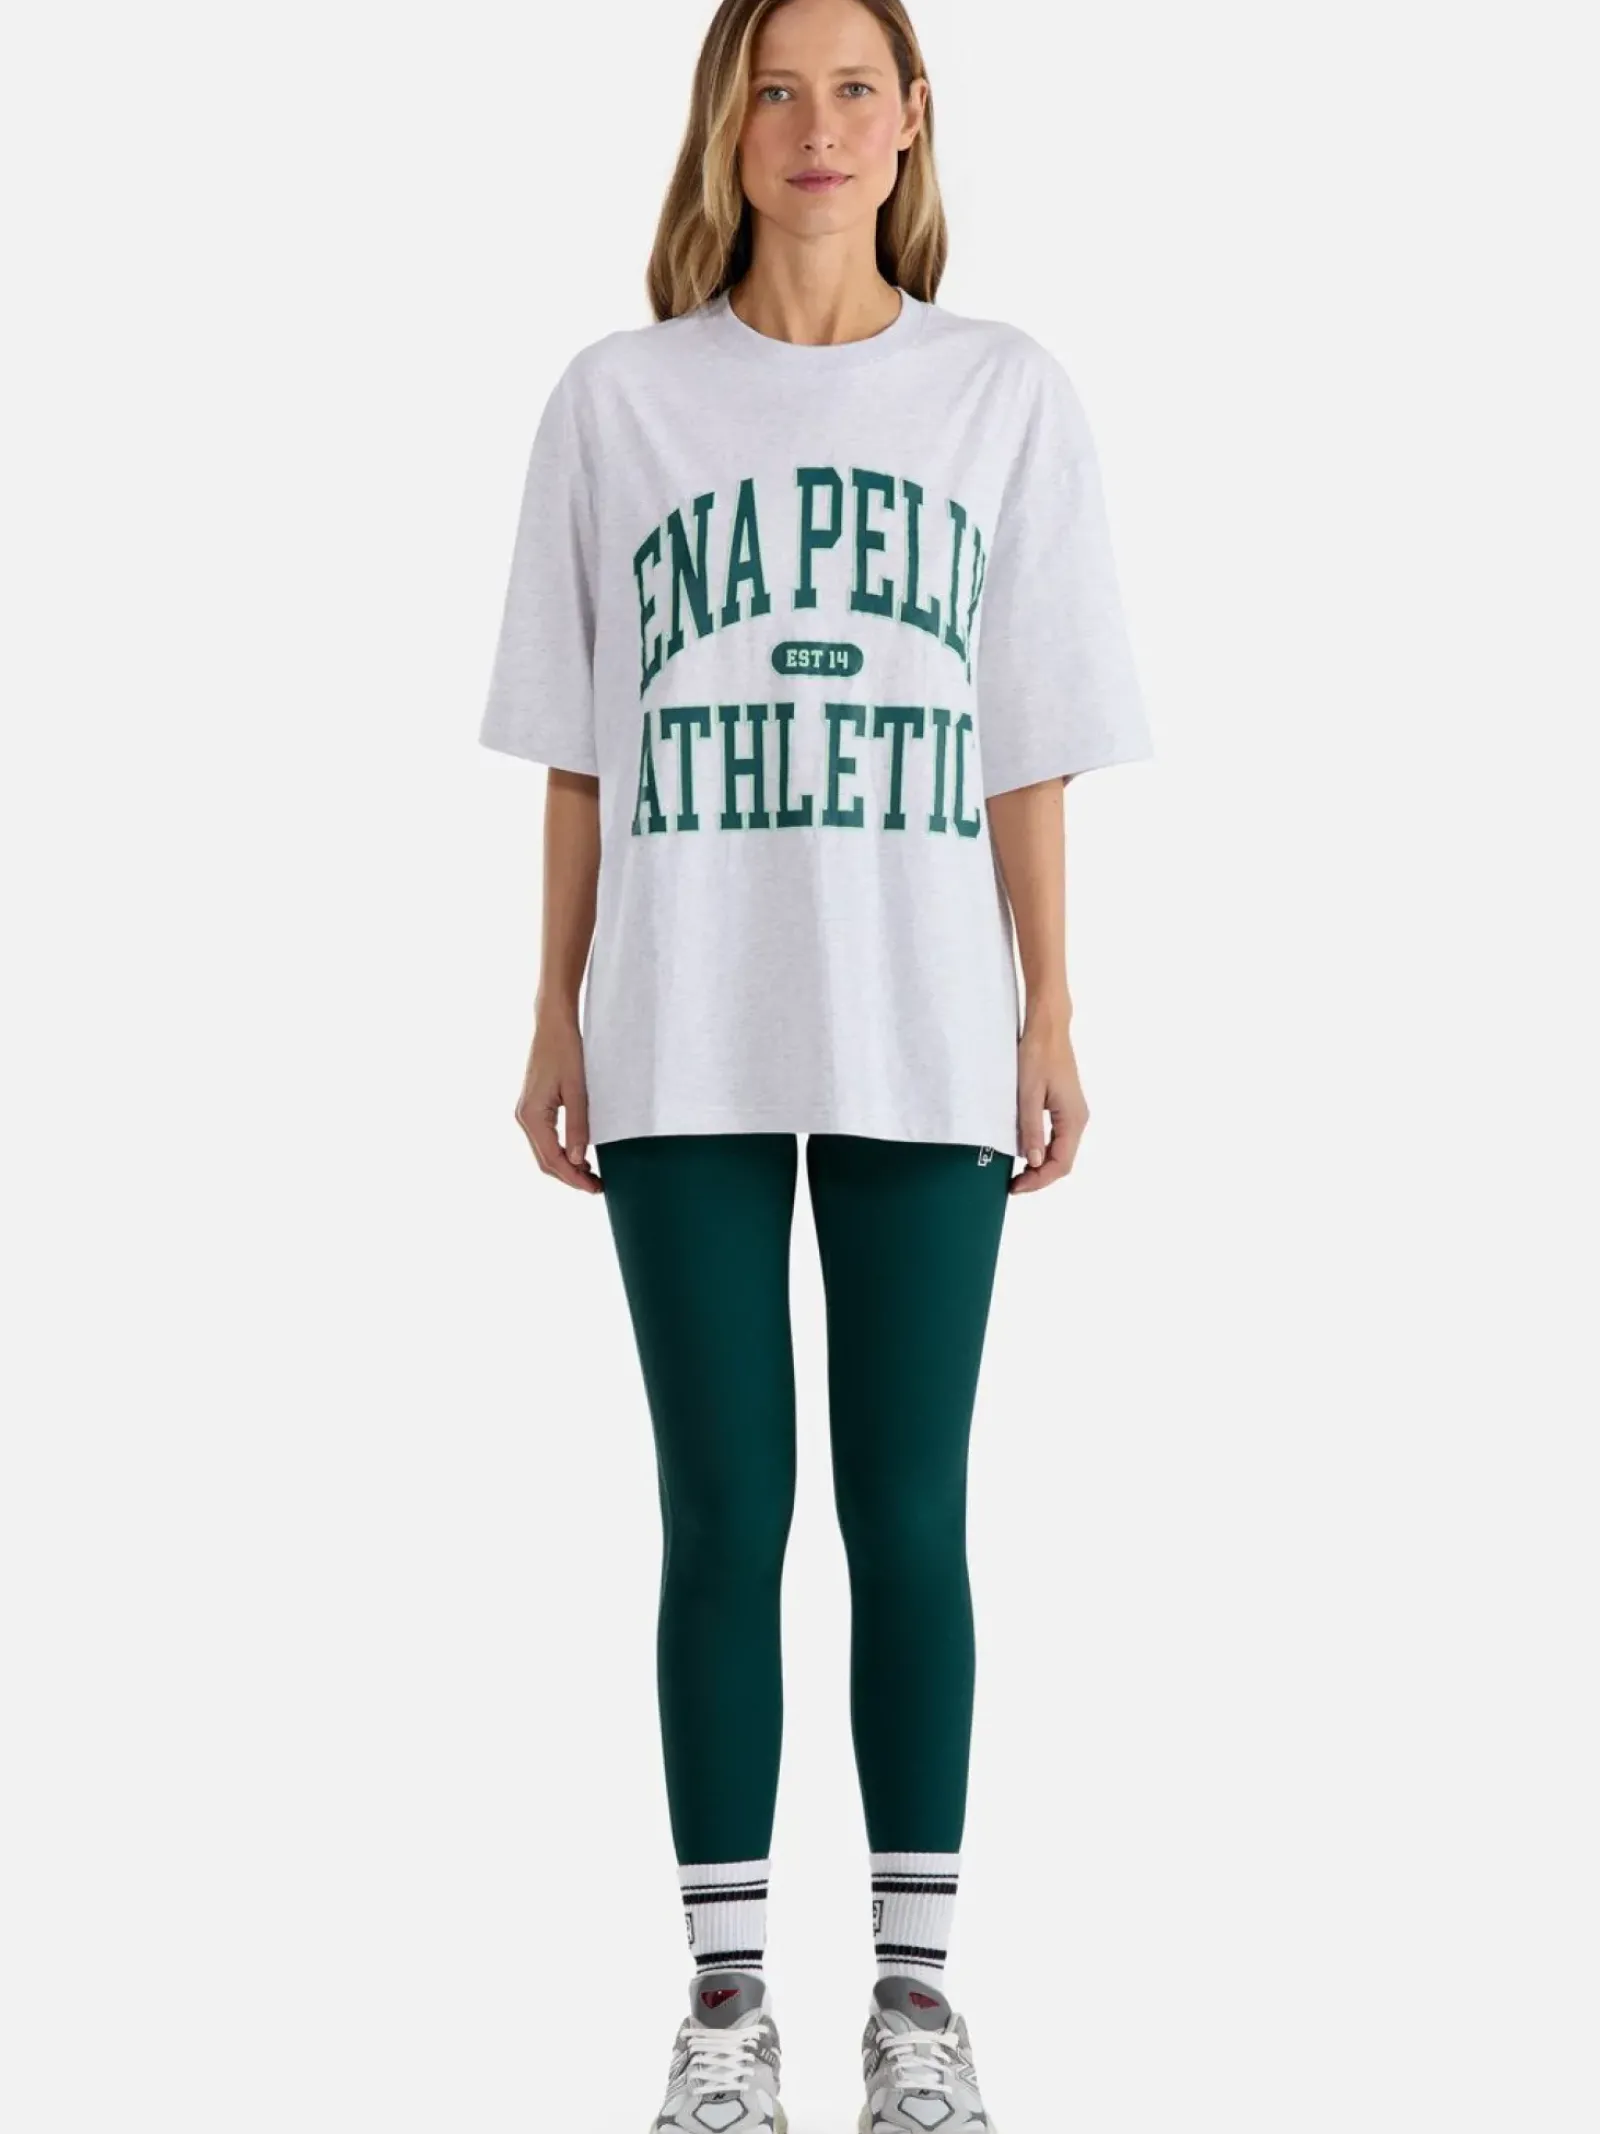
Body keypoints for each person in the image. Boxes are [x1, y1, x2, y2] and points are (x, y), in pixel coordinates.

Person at [477, 0, 1151, 2125]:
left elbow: (1028, 734)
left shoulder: (1002, 392)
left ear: (912, 121)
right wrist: (552, 1002)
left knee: (910, 1510)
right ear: (727, 122)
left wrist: (1051, 1007)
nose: (817, 123)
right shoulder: (616, 399)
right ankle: (725, 2011)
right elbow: (579, 744)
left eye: (856, 86)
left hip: (922, 1014)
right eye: (777, 86)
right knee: (720, 1513)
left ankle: (916, 2009)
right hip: (679, 1017)